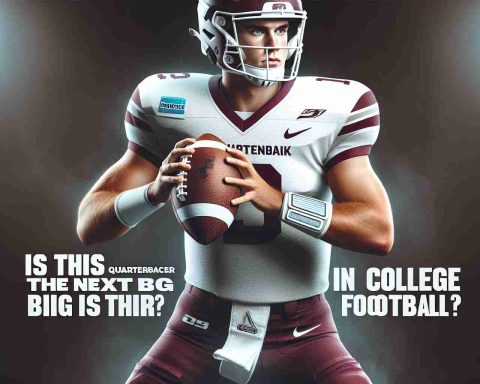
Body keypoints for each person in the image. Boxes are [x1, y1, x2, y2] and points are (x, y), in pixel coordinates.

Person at [77, 1, 394, 383]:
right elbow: (89, 224)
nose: (275, 44)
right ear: (216, 31)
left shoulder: (335, 106)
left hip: (305, 330)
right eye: (258, 29)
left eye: (283, 29)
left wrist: (279, 203)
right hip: (198, 327)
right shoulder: (165, 102)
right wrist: (152, 193)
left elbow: (378, 231)